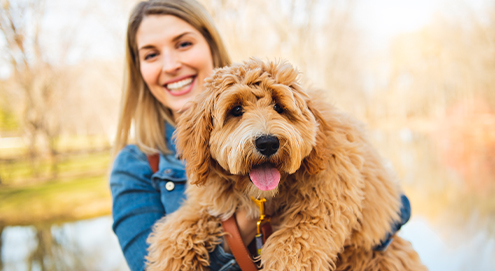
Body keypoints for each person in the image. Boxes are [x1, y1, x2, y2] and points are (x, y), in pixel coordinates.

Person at [109, 1, 259, 270]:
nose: (170, 65)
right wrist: (248, 221)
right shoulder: (133, 166)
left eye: (183, 44)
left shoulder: (276, 126)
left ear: (211, 46)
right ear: (140, 70)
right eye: (151, 55)